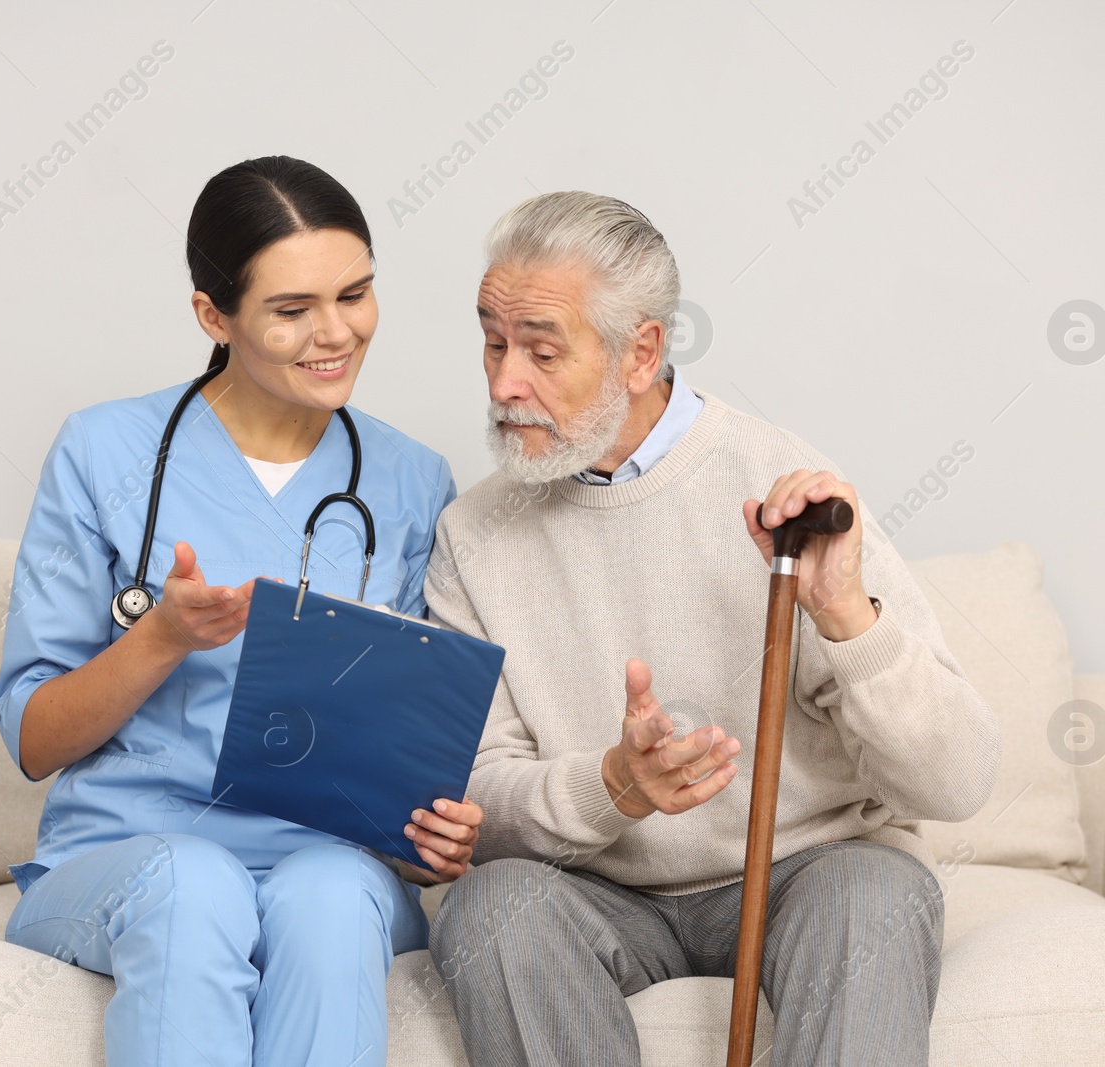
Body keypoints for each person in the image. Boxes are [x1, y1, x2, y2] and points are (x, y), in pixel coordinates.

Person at [424, 191, 1003, 1067]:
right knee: (491, 907)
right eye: (494, 343)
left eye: (542, 349)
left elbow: (957, 782)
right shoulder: (475, 535)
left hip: (802, 874)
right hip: (601, 891)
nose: (505, 381)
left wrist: (847, 617)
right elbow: (479, 795)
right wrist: (615, 784)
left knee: (873, 894)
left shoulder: (783, 483)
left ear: (641, 351)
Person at [0, 155, 483, 1067]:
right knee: (194, 880)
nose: (335, 333)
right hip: (128, 852)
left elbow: (412, 747)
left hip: (327, 856)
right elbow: (34, 740)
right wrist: (162, 637)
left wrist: (434, 831)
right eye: (291, 310)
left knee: (333, 895)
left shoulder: (413, 481)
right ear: (213, 316)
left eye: (356, 293)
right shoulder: (104, 451)